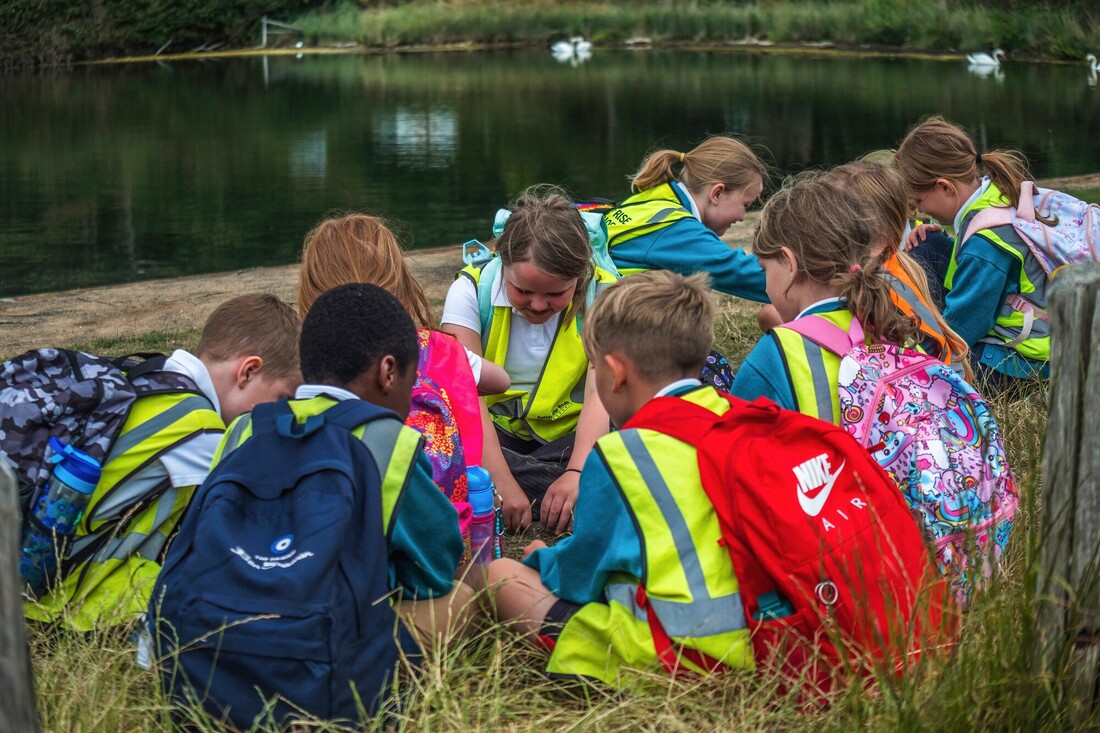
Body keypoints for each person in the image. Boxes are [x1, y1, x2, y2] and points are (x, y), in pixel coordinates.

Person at [486, 270, 753, 684]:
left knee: (500, 577)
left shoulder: (621, 454)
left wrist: (541, 555)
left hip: (672, 657)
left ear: (616, 373)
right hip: (756, 634)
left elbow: (579, 575)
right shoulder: (741, 419)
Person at [211, 283, 475, 650]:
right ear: (388, 372)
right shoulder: (388, 442)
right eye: (410, 383)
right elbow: (434, 569)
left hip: (222, 633)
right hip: (323, 649)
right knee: (463, 598)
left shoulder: (244, 428)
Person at [25, 294, 302, 630]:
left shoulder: (149, 379)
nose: (279, 414)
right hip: (65, 599)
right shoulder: (200, 428)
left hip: (42, 571)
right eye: (282, 398)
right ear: (248, 371)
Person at [296, 213, 510, 504]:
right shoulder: (437, 348)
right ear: (401, 284)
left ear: (310, 294)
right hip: (450, 527)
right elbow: (501, 381)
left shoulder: (305, 359)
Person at [441, 187, 615, 534]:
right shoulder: (469, 291)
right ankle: (579, 494)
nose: (537, 305)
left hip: (575, 437)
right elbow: (465, 396)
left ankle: (562, 488)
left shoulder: (606, 295)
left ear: (581, 275)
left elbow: (603, 395)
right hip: (495, 439)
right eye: (522, 291)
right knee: (440, 443)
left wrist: (577, 472)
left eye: (555, 294)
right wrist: (501, 482)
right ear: (502, 264)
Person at [730, 172, 922, 422]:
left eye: (765, 269)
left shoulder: (773, 356)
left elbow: (733, 447)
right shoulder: (893, 328)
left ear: (789, 263)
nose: (766, 287)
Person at [893, 116, 1050, 386]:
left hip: (1028, 361)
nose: (919, 211)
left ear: (944, 187)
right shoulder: (993, 192)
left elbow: (962, 332)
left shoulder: (984, 246)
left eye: (919, 201)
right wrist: (944, 241)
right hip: (1031, 318)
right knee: (927, 247)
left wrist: (917, 355)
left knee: (927, 373)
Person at [821, 160, 971, 378]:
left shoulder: (876, 292)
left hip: (933, 395)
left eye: (828, 227)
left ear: (878, 243)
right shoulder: (894, 267)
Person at [603, 135, 769, 303]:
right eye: (746, 205)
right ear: (717, 193)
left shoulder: (652, 199)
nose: (742, 217)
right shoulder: (677, 230)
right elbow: (741, 272)